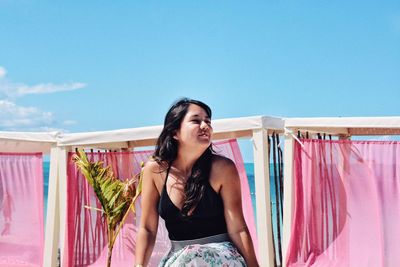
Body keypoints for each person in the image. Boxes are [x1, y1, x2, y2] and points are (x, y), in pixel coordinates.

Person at [135, 98, 259, 267]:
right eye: (196, 120)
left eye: (208, 121)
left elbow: (237, 227)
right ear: (174, 132)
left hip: (221, 257)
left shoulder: (222, 168)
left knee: (195, 258)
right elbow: (148, 229)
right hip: (179, 259)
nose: (205, 126)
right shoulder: (154, 170)